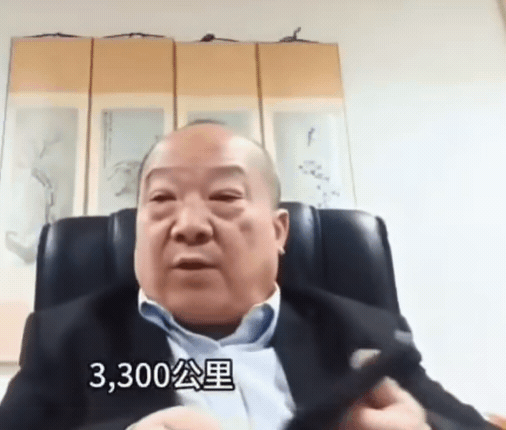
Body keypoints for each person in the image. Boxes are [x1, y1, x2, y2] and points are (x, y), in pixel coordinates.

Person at [0, 122, 497, 430]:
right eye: (162, 199)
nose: (189, 225)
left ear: (278, 231)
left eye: (225, 197)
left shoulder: (362, 334)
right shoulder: (65, 340)